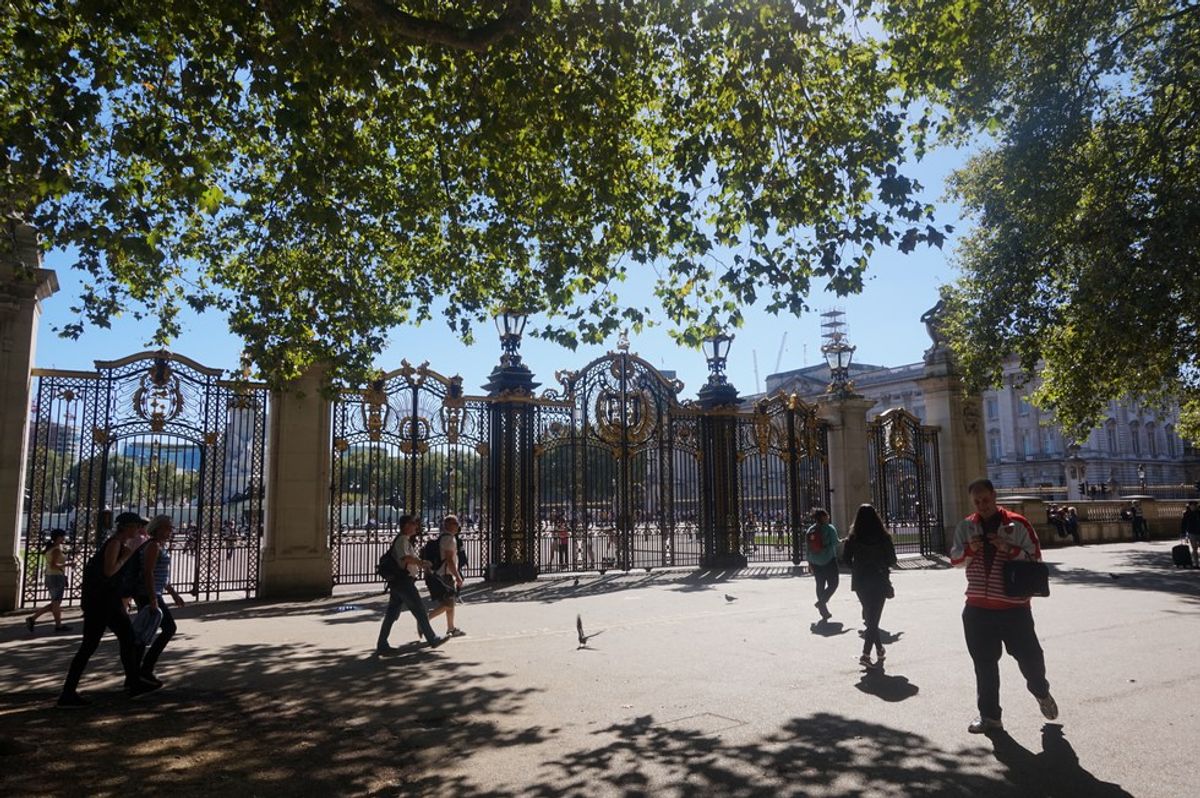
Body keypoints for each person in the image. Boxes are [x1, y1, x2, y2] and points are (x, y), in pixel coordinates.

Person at [951, 478, 1057, 735]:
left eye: (986, 500)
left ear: (994, 496)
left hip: (1014, 607)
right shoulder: (966, 526)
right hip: (977, 608)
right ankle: (990, 717)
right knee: (984, 664)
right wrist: (969, 550)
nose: (982, 505)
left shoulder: (1017, 524)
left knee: (1030, 658)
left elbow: (1035, 558)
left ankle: (1040, 690)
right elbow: (954, 560)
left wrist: (1007, 548)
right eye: (977, 502)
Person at [58, 512, 160, 707]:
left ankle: (133, 682)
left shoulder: (118, 543)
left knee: (127, 638)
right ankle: (68, 693)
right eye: (136, 526)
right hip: (102, 602)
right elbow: (109, 570)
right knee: (91, 645)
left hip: (108, 601)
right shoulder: (115, 543)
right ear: (126, 527)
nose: (139, 529)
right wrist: (126, 556)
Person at [376, 515, 444, 654]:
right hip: (404, 581)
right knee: (419, 610)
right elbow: (405, 558)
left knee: (392, 613)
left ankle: (382, 644)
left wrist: (421, 563)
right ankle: (432, 638)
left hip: (399, 582)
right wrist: (421, 563)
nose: (416, 526)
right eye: (413, 523)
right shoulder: (402, 540)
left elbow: (409, 557)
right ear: (406, 525)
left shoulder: (404, 540)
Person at [132, 515, 186, 686]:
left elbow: (161, 575)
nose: (171, 530)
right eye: (168, 527)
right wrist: (153, 598)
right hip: (148, 593)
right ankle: (144, 670)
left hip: (152, 593)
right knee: (167, 628)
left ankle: (136, 673)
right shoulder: (153, 545)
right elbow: (148, 572)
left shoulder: (158, 545)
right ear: (158, 528)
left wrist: (173, 593)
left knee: (145, 632)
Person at [842, 504, 897, 669]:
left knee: (871, 617)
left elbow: (846, 559)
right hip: (879, 578)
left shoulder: (853, 537)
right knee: (873, 618)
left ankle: (879, 649)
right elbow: (892, 560)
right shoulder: (883, 537)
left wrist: (857, 567)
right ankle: (866, 654)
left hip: (860, 580)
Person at [426, 515, 466, 638]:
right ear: (447, 525)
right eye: (455, 523)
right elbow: (449, 560)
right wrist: (458, 576)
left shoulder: (444, 537)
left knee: (451, 602)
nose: (457, 525)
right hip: (445, 574)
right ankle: (425, 620)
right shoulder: (449, 539)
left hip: (443, 573)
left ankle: (451, 627)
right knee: (448, 604)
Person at [25, 529, 72, 633]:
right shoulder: (56, 550)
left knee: (55, 603)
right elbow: (54, 565)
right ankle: (57, 625)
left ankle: (34, 619)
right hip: (56, 577)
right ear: (58, 537)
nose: (64, 538)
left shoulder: (51, 548)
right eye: (63, 536)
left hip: (51, 576)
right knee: (56, 602)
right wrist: (68, 564)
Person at [805, 508, 841, 621]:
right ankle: (821, 602)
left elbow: (808, 547)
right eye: (827, 516)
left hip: (814, 561)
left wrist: (809, 562)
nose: (828, 517)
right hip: (828, 559)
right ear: (824, 517)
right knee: (833, 583)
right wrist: (843, 540)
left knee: (820, 584)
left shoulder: (810, 530)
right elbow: (835, 542)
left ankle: (823, 611)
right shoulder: (830, 528)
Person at [1181, 501, 1200, 568]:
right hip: (1192, 533)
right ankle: (1196, 564)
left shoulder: (1199, 512)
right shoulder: (1186, 514)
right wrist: (1183, 533)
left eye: (1195, 505)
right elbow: (1183, 523)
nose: (1194, 507)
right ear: (1189, 506)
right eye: (1192, 505)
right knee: (1194, 549)